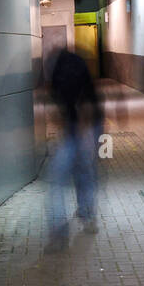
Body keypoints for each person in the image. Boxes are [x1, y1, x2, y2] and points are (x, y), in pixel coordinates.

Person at [44, 47, 103, 251]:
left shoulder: (65, 76)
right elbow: (61, 111)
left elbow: (83, 110)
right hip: (79, 127)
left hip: (86, 127)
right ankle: (87, 216)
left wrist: (81, 139)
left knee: (70, 175)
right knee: (83, 172)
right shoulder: (69, 72)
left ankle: (67, 228)